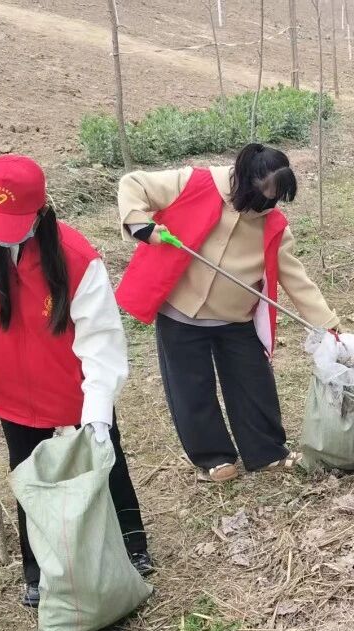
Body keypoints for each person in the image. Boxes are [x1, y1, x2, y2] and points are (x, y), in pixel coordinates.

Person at [0, 155, 150, 607]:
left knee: (103, 466)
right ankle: (38, 569)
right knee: (30, 478)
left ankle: (130, 547)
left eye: (13, 223)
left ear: (41, 213)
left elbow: (101, 340)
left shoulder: (77, 258)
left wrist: (98, 410)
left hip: (72, 391)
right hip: (9, 393)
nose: (1, 236)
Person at [115, 143, 340, 484]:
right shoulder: (193, 182)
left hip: (236, 319)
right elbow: (134, 183)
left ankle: (266, 452)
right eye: (261, 194)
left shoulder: (274, 226)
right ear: (245, 180)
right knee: (190, 387)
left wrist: (328, 324)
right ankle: (214, 457)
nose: (266, 204)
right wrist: (141, 225)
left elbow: (299, 281)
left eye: (274, 197)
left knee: (253, 384)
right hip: (181, 312)